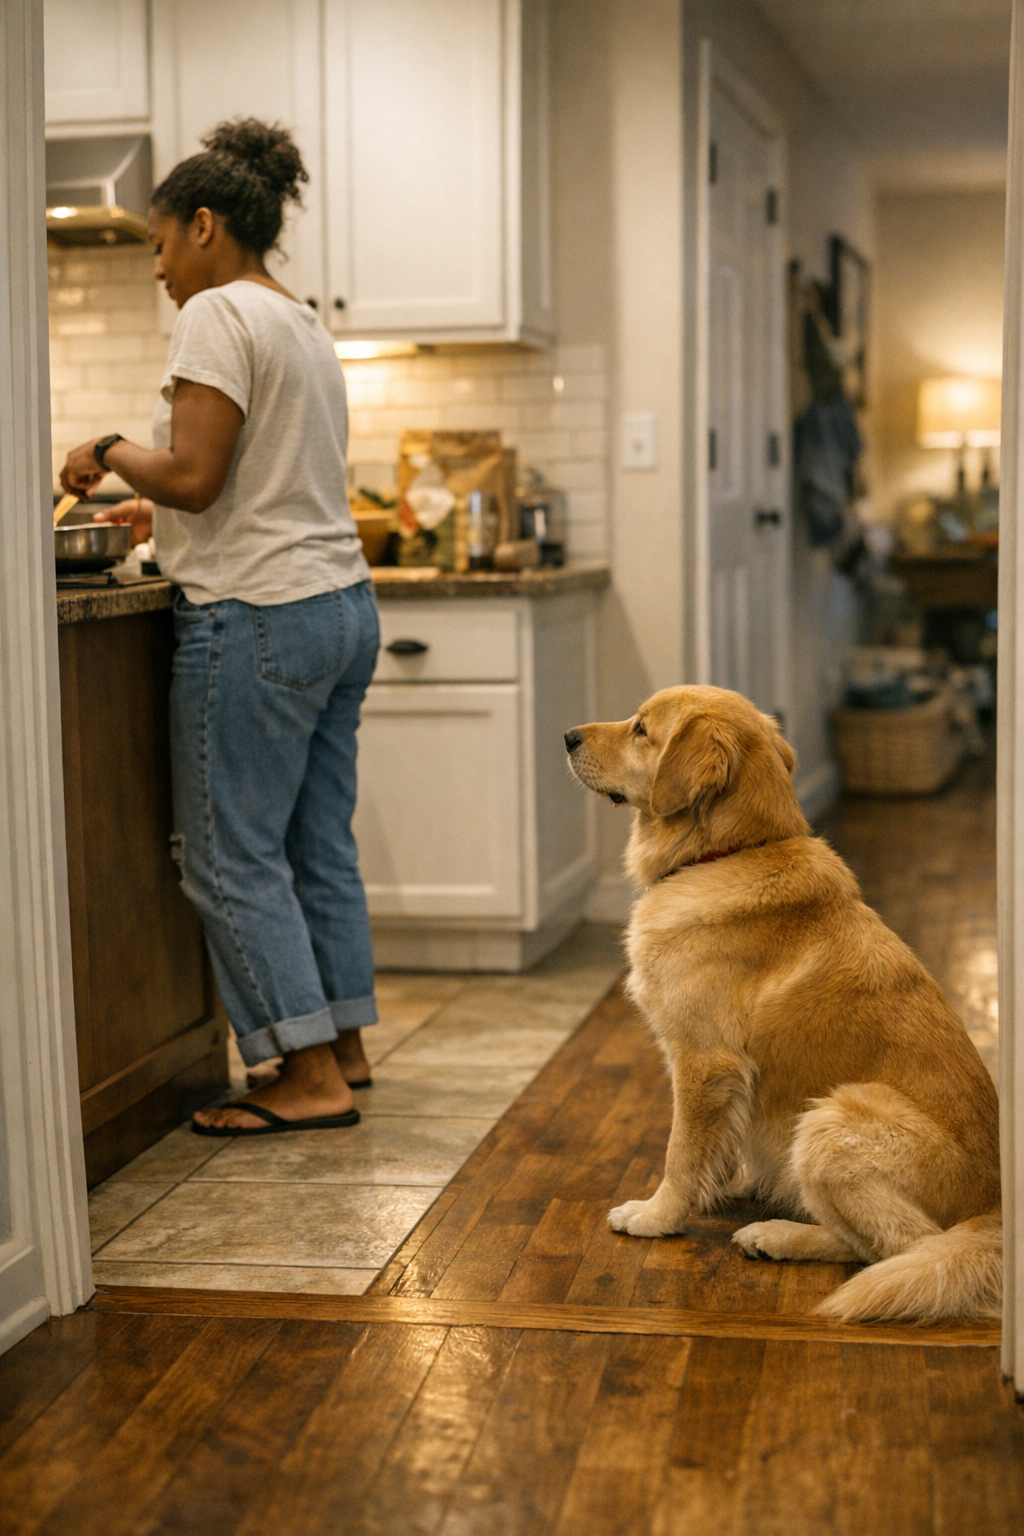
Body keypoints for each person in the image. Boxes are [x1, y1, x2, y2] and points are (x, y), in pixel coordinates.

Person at [60, 119, 380, 1136]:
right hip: (338, 606)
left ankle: (305, 1073)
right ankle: (347, 1045)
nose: (156, 267)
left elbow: (196, 477)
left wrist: (109, 447)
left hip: (258, 618)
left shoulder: (213, 314)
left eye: (158, 245)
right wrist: (157, 507)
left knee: (228, 857)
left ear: (204, 226)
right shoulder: (300, 320)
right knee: (312, 842)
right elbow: (255, 481)